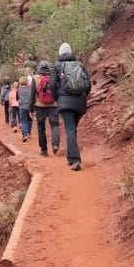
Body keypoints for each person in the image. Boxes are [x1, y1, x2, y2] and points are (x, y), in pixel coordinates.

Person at [49, 42, 91, 171]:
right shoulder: (80, 65)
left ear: (60, 53)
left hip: (65, 102)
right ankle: (70, 156)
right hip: (80, 102)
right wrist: (83, 96)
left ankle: (76, 159)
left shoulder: (57, 65)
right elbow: (88, 84)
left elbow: (52, 84)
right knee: (73, 129)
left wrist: (58, 97)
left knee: (70, 129)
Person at [33, 60, 60, 157]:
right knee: (55, 125)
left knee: (41, 128)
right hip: (54, 105)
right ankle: (55, 145)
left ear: (39, 68)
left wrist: (31, 108)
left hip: (40, 106)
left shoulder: (35, 78)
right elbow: (58, 90)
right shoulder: (54, 76)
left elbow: (32, 94)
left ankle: (44, 150)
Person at [17, 76, 34, 142]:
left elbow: (17, 97)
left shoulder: (19, 89)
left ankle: (24, 134)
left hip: (22, 107)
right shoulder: (30, 89)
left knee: (23, 120)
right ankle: (29, 132)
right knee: (29, 119)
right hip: (29, 106)